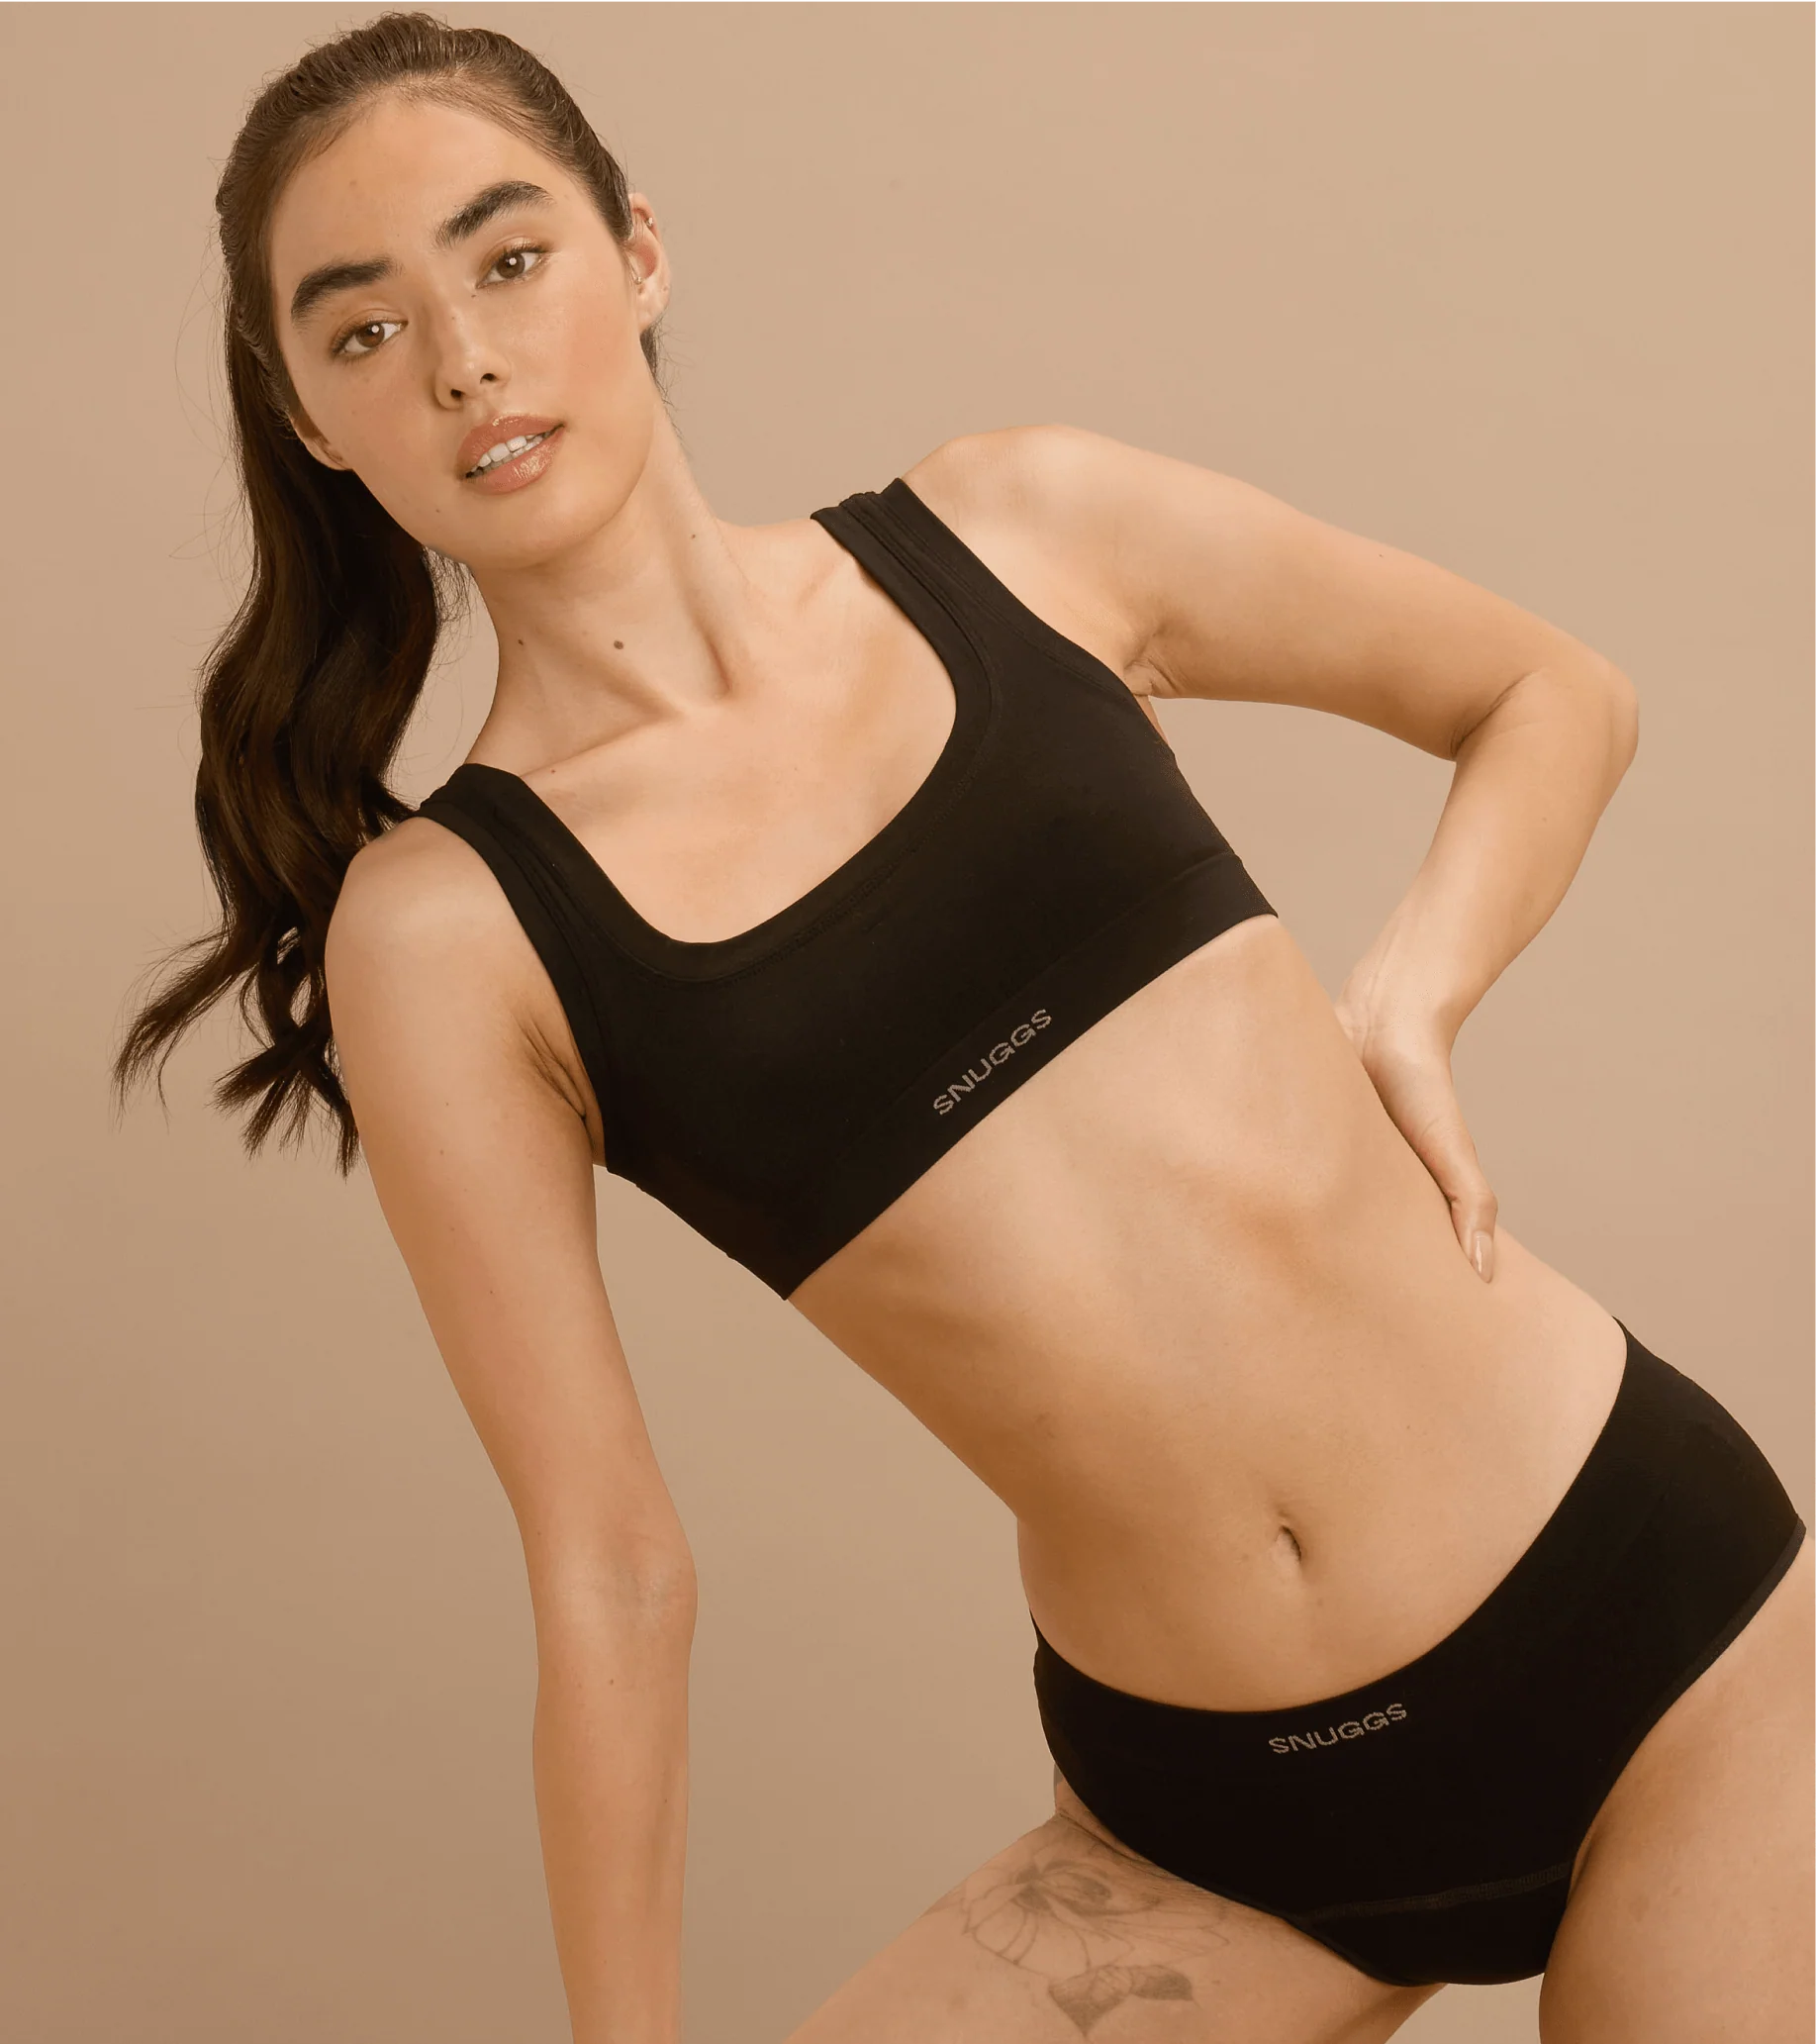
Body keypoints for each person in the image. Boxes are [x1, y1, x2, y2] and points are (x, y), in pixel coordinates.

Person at [113, 15, 1811, 2044]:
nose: (462, 359)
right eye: (365, 329)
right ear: (311, 417)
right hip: (1211, 1822)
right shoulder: (451, 933)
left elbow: (1552, 695)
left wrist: (1410, 997)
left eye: (509, 257)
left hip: (1663, 1642)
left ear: (636, 253)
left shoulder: (1018, 531)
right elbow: (610, 1563)